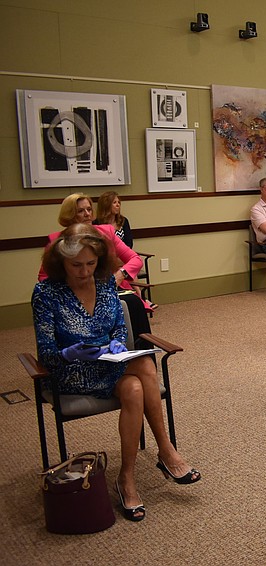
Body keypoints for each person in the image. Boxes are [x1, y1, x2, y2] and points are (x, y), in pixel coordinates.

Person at [32, 224, 200, 522]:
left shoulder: (106, 282)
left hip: (111, 363)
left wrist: (117, 342)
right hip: (72, 372)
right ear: (61, 263)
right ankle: (167, 451)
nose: (84, 271)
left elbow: (120, 327)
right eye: (76, 265)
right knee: (146, 365)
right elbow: (46, 353)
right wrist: (69, 354)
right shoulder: (47, 293)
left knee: (135, 387)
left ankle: (127, 478)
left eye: (91, 263)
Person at [38, 193, 156, 318]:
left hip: (109, 287)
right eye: (80, 211)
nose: (87, 214)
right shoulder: (58, 240)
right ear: (70, 215)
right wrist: (65, 290)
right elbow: (43, 276)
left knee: (133, 304)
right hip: (75, 292)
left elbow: (135, 259)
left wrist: (120, 275)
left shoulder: (106, 232)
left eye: (89, 209)